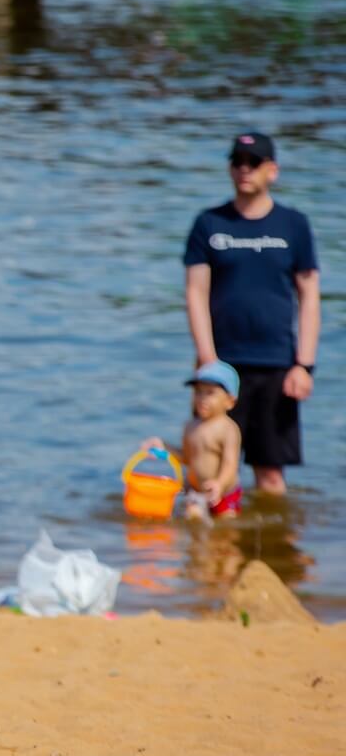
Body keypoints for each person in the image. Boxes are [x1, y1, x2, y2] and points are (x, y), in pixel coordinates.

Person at [183, 131, 322, 495]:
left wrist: (304, 365)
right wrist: (208, 362)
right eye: (237, 162)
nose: (245, 169)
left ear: (272, 170)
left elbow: (309, 296)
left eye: (254, 163)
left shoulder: (293, 225)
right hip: (221, 365)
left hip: (277, 363)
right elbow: (195, 292)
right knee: (208, 471)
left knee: (271, 475)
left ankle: (272, 551)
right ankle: (215, 548)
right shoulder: (209, 224)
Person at [145, 362, 243, 522]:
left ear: (229, 401)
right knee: (194, 524)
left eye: (210, 393)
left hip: (223, 492)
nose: (202, 398)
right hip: (196, 491)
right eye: (198, 392)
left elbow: (230, 464)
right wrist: (164, 447)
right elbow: (186, 458)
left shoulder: (228, 429)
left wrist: (219, 484)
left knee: (226, 533)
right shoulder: (190, 426)